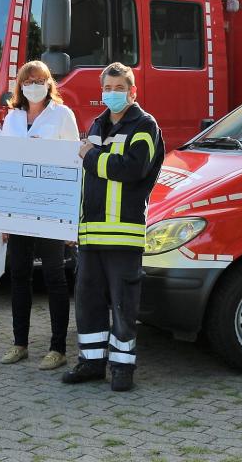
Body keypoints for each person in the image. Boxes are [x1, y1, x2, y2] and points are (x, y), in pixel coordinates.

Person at [62, 62, 163, 392]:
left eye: (120, 89)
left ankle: (122, 367)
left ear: (133, 92)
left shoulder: (145, 126)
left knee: (123, 305)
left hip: (123, 234)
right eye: (108, 88)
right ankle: (91, 362)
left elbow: (131, 168)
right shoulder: (96, 124)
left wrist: (91, 156)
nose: (113, 94)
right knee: (88, 302)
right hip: (90, 234)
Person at [0, 60, 79, 371]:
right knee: (19, 277)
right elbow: (3, 165)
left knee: (55, 278)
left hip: (51, 209)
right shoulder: (12, 117)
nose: (33, 84)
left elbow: (75, 164)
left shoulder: (62, 115)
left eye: (40, 79)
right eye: (28, 80)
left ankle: (57, 348)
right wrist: (3, 217)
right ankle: (20, 343)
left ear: (49, 83)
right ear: (20, 85)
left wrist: (71, 220)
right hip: (18, 209)